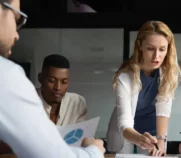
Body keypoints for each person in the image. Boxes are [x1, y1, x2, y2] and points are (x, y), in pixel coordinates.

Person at [0, 0, 105, 157]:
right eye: (17, 19)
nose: (17, 34)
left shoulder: (77, 102)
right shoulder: (6, 76)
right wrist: (94, 152)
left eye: (64, 81)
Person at [106, 20, 181, 156]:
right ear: (140, 46)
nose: (156, 56)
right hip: (126, 131)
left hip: (153, 130)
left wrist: (160, 141)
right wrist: (140, 139)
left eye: (162, 49)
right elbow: (124, 123)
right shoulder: (124, 78)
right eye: (150, 48)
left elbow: (163, 112)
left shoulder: (169, 74)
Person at [37, 54, 87, 125]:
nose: (58, 87)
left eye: (64, 82)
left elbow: (82, 134)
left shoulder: (77, 103)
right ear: (40, 78)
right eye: (52, 80)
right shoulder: (27, 102)